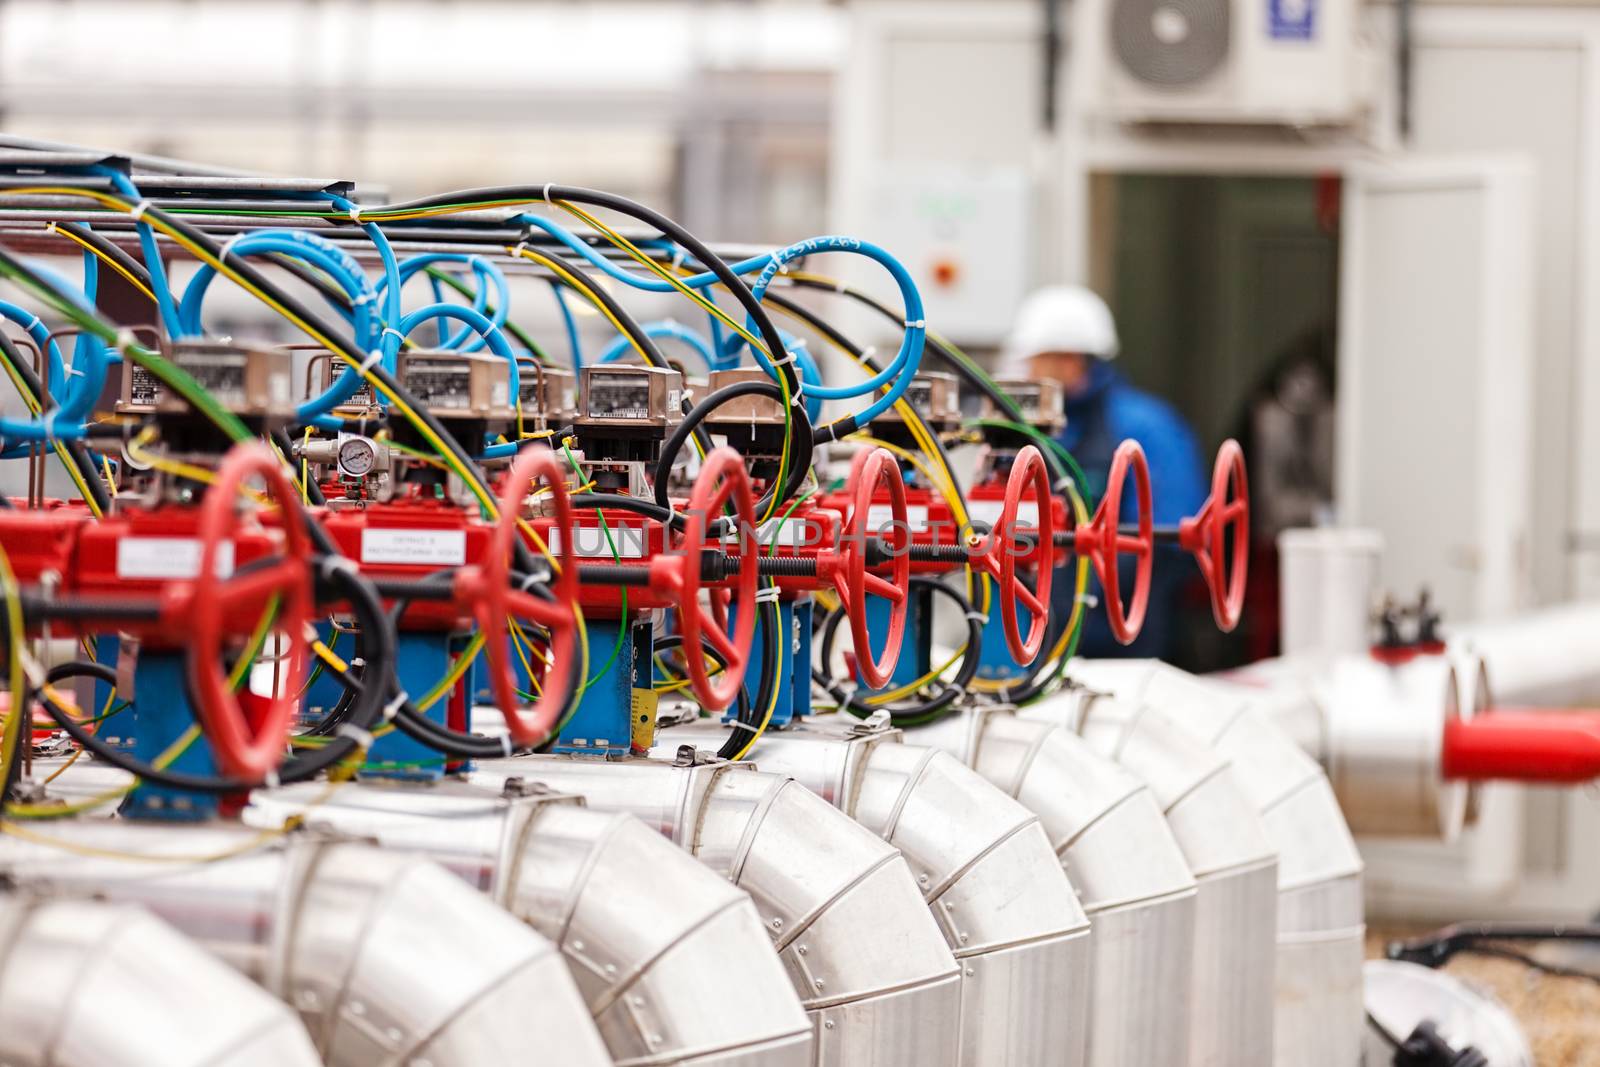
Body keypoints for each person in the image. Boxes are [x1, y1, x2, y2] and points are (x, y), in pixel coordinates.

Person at [1000, 285, 1207, 659]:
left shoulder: (1148, 428)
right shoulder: (1028, 431)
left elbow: (1170, 537)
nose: (1028, 371)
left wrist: (1084, 591)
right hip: (1035, 641)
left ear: (1069, 359)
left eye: (1037, 359)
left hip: (1127, 645)